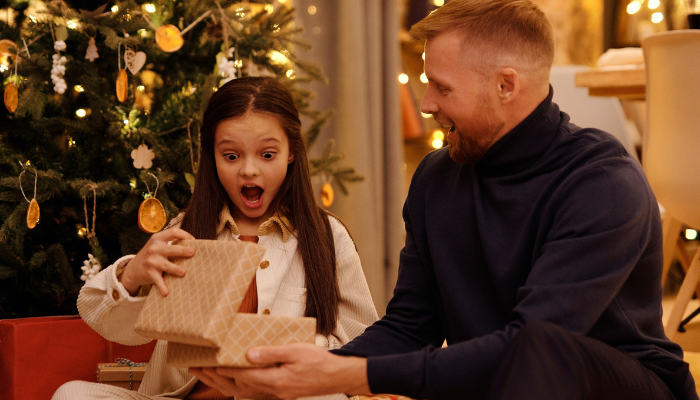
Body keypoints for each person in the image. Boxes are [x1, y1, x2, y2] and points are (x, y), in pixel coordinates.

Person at [188, 1, 700, 400]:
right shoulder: (437, 178)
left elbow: (531, 344)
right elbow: (412, 325)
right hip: (501, 385)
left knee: (538, 346)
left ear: (506, 85)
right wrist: (295, 371)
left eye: (441, 87)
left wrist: (346, 372)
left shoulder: (602, 183)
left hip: (625, 387)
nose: (426, 103)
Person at [52, 77, 378, 400]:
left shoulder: (327, 236)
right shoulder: (186, 231)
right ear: (213, 156)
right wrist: (132, 275)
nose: (249, 171)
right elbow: (108, 323)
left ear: (291, 151)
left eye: (267, 154)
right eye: (232, 156)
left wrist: (296, 353)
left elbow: (364, 344)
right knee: (72, 394)